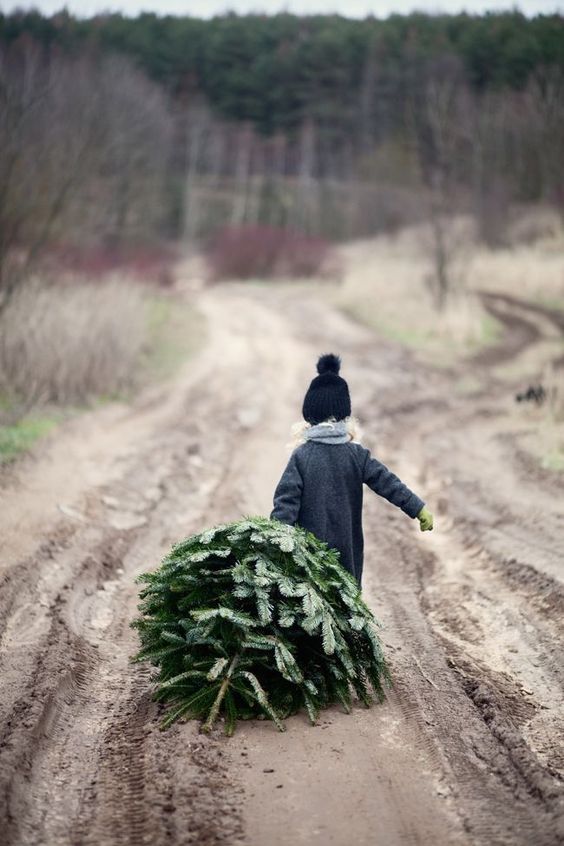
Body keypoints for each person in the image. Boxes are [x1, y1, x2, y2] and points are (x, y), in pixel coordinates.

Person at [271, 353, 433, 586]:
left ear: (309, 416)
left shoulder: (302, 456)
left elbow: (285, 502)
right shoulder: (356, 455)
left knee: (310, 600)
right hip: (347, 551)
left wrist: (276, 538)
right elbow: (388, 483)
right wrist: (418, 508)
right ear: (345, 415)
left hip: (307, 553)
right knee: (347, 604)